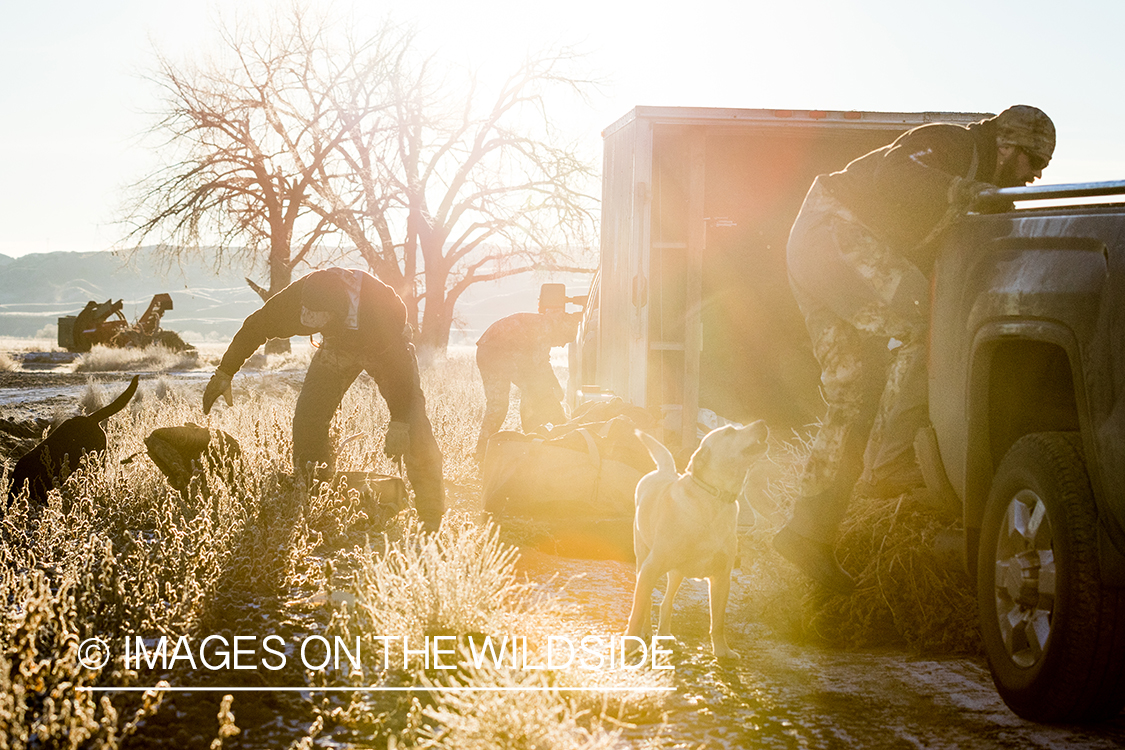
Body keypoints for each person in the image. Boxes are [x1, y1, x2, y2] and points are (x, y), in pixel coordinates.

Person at [773, 105, 1055, 594]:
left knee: (849, 392)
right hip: (831, 227)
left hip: (819, 248)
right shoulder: (954, 144)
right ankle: (887, 464)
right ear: (1008, 146)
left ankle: (807, 531)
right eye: (1034, 163)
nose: (1034, 177)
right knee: (920, 323)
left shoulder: (991, 195)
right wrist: (960, 190)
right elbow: (893, 173)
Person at [202, 267, 445, 531]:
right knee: (309, 417)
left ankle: (431, 514)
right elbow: (257, 325)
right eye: (305, 315)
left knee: (415, 424)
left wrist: (399, 421)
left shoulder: (383, 310)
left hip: (384, 347)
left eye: (315, 319)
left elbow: (399, 369)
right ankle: (314, 496)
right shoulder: (301, 295)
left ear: (336, 313)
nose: (306, 320)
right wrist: (224, 371)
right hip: (338, 345)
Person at [474, 310, 580, 461]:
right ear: (561, 330)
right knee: (529, 392)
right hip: (496, 353)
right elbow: (540, 363)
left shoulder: (543, 323)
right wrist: (555, 387)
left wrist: (551, 386)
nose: (562, 345)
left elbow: (538, 364)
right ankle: (541, 437)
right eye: (565, 340)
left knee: (500, 404)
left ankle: (481, 452)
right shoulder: (545, 328)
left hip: (487, 351)